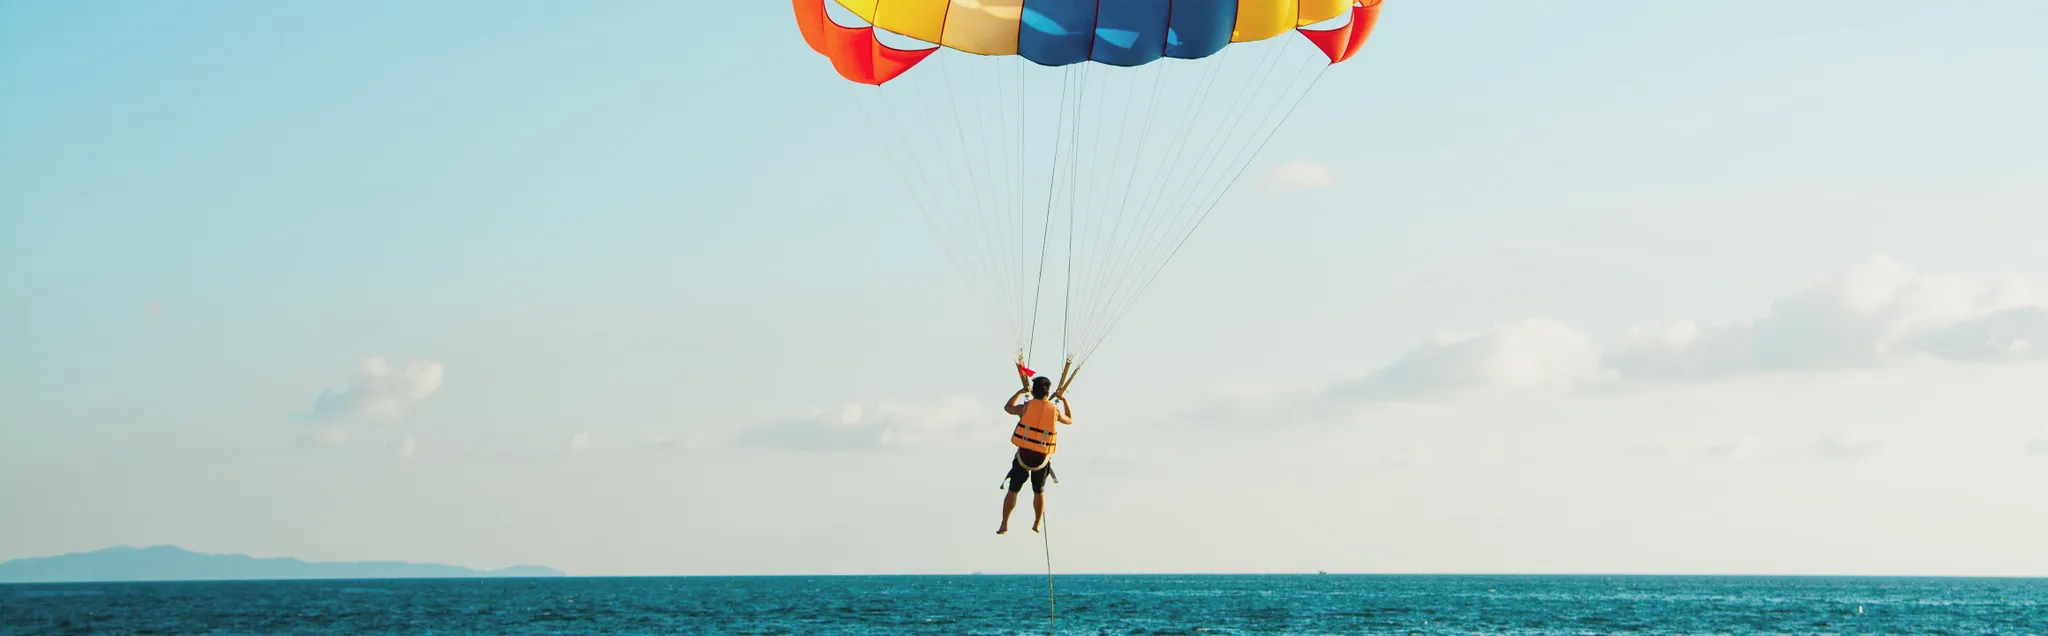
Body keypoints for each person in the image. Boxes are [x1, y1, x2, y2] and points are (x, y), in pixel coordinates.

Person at [998, 375, 1073, 535]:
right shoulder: (1055, 412)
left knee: (1013, 490)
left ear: (1033, 392)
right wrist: (1063, 399)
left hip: (1023, 458)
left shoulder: (1025, 408)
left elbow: (1007, 407)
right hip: (1041, 460)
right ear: (1048, 393)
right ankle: (1037, 523)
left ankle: (1004, 523)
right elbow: (1069, 420)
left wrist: (1020, 391)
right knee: (1039, 491)